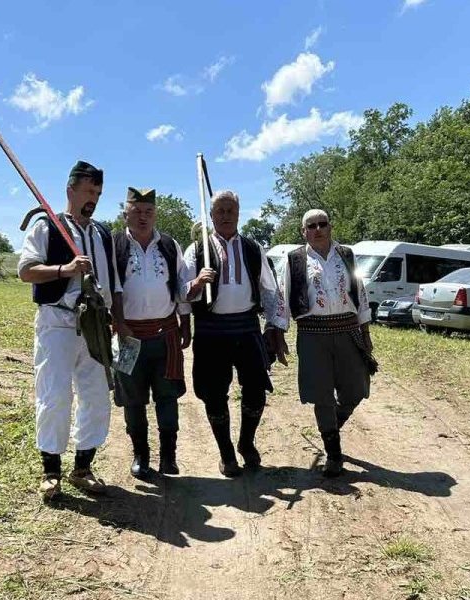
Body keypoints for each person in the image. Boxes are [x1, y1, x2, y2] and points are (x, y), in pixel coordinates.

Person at [17, 160, 130, 499]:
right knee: (55, 394)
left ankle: (83, 467)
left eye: (98, 193)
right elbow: (26, 271)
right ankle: (51, 470)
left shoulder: (102, 234)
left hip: (95, 322)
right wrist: (65, 269)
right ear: (71, 190)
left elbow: (114, 283)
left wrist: (118, 319)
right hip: (58, 320)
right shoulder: (46, 227)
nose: (93, 198)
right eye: (88, 191)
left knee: (96, 395)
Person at [184, 190, 288, 478]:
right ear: (211, 215)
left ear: (239, 214)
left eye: (231, 210)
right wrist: (197, 282)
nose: (226, 216)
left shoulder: (253, 249)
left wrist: (274, 325)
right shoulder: (197, 250)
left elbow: (270, 289)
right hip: (210, 330)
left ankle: (246, 442)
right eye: (220, 211)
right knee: (214, 393)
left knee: (256, 389)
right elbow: (180, 293)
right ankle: (226, 453)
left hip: (247, 327)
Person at [280, 210, 375, 477]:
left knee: (356, 389)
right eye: (311, 226)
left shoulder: (346, 254)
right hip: (312, 334)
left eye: (322, 224)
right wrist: (278, 333)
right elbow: (283, 297)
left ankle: (332, 426)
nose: (318, 229)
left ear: (330, 227)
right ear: (304, 231)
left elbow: (360, 293)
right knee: (321, 394)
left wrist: (366, 331)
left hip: (347, 330)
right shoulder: (294, 259)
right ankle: (333, 454)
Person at [113, 188, 193, 480]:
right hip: (127, 335)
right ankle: (140, 455)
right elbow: (108, 287)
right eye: (137, 211)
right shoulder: (114, 245)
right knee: (132, 399)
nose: (143, 217)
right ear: (126, 214)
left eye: (148, 212)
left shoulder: (170, 245)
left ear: (155, 214)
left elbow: (181, 286)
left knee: (167, 396)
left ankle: (169, 456)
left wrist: (186, 323)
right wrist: (116, 322)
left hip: (165, 333)